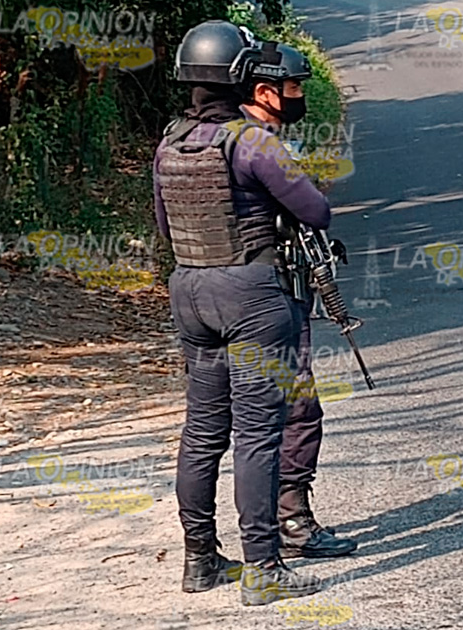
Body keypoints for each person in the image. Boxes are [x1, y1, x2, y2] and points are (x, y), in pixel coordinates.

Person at [154, 20, 329, 606]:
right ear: (239, 75)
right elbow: (316, 210)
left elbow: (163, 227)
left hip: (189, 289)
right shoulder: (250, 142)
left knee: (203, 432)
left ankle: (200, 560)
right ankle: (263, 568)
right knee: (258, 432)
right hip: (251, 293)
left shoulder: (170, 142)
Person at [240, 45, 361, 561]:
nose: (299, 97)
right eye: (293, 89)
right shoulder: (258, 145)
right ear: (264, 92)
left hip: (206, 298)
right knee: (297, 409)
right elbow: (315, 210)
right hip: (271, 295)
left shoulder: (193, 141)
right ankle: (290, 523)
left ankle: (204, 550)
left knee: (222, 422)